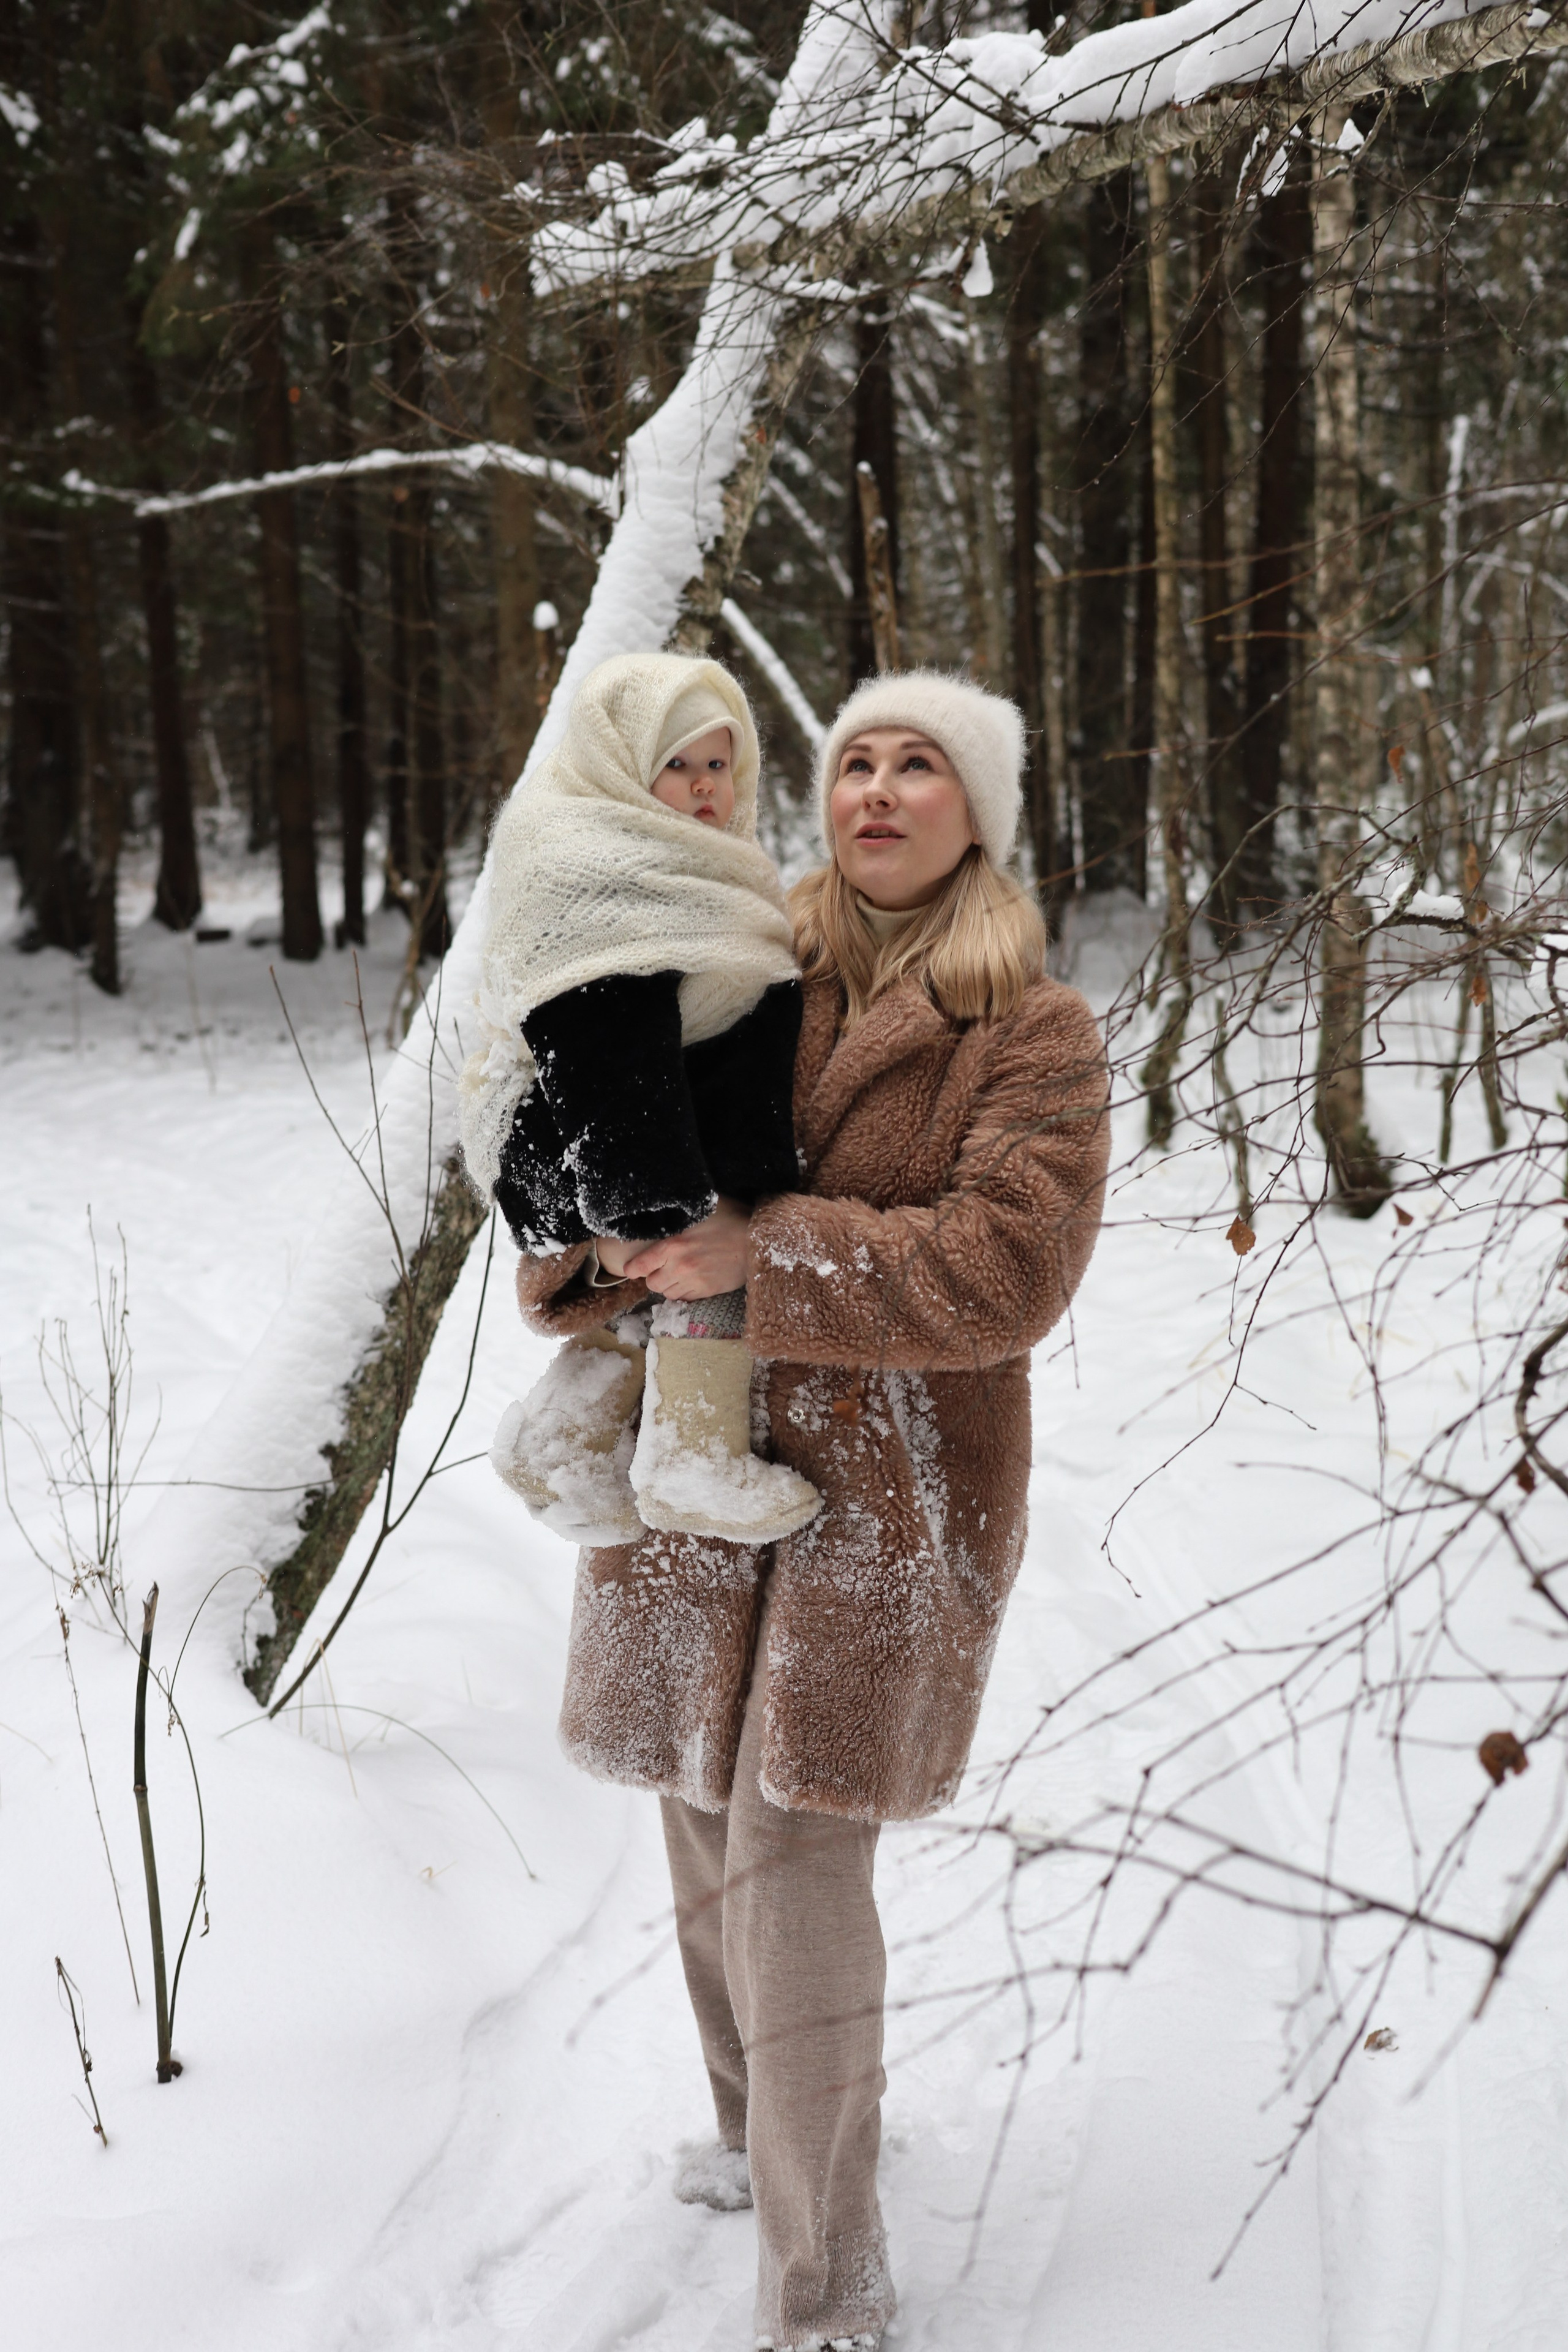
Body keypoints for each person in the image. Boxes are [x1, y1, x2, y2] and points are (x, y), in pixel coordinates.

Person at [513, 669, 1110, 2352]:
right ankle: (740, 2134)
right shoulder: (735, 962)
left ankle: (826, 2289)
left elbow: (1007, 1268)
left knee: (794, 1857)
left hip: (886, 1503)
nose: (880, 790)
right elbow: (586, 1139)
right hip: (691, 1474)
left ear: (975, 812)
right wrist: (589, 1249)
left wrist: (756, 1259)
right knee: (700, 1819)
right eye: (856, 760)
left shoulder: (1035, 1032)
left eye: (922, 765)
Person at [459, 651, 821, 1547]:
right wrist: (642, 1210)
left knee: (701, 1223)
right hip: (588, 1141)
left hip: (642, 1134)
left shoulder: (711, 869)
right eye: (678, 764)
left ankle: (564, 1436)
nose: (705, 787)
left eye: (718, 764)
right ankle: (693, 1456)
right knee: (695, 1238)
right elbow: (600, 1042)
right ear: (622, 765)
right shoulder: (589, 864)